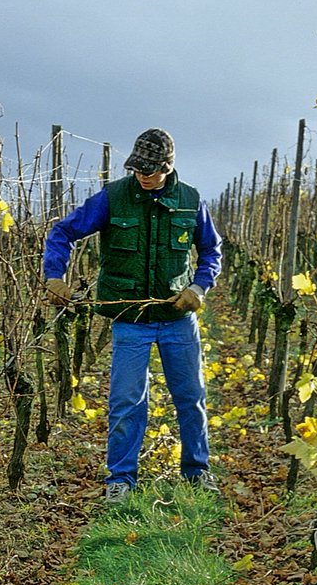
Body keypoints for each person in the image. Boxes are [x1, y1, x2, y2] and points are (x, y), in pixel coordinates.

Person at [43, 128, 223, 504]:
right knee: (127, 401)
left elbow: (211, 252)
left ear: (168, 167)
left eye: (151, 170)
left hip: (177, 321)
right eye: (138, 168)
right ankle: (121, 480)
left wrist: (199, 288)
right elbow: (63, 232)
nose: (143, 175)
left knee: (190, 397)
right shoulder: (113, 197)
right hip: (129, 320)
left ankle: (197, 471)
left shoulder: (190, 200)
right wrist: (54, 277)